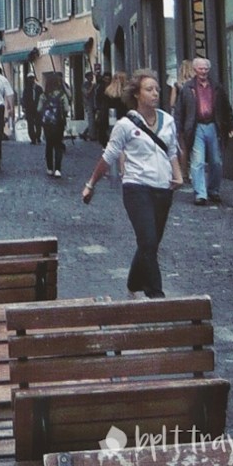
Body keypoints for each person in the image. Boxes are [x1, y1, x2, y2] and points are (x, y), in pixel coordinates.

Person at [81, 69, 183, 299]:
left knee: (151, 243)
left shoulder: (167, 121)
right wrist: (91, 184)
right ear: (137, 94)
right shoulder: (125, 125)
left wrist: (178, 174)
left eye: (157, 89)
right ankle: (156, 295)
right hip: (136, 187)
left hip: (163, 188)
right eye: (149, 89)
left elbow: (172, 151)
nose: (155, 93)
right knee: (147, 240)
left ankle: (133, 283)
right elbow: (109, 156)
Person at [174, 56, 233, 206]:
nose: (204, 71)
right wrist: (178, 129)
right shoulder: (188, 88)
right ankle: (200, 194)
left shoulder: (217, 87)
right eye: (201, 69)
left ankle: (213, 190)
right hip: (196, 127)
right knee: (198, 161)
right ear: (195, 70)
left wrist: (231, 126)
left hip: (214, 126)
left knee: (216, 161)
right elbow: (179, 110)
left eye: (206, 69)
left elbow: (226, 108)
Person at [37, 75, 71, 178]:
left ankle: (49, 168)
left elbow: (39, 109)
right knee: (58, 145)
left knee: (49, 145)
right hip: (58, 123)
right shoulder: (61, 95)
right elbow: (66, 109)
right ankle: (58, 169)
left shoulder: (44, 95)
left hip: (47, 124)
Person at [168, 60, 195, 180]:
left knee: (182, 146)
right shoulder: (194, 84)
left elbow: (172, 103)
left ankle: (184, 172)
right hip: (192, 117)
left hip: (180, 118)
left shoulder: (177, 85)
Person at [21, 71, 44, 144]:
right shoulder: (26, 89)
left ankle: (38, 137)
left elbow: (42, 98)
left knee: (38, 124)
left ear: (34, 78)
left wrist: (42, 107)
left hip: (38, 109)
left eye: (32, 78)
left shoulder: (39, 88)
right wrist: (24, 107)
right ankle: (33, 139)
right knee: (30, 124)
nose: (31, 80)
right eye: (29, 78)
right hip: (29, 109)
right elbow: (24, 98)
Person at [93, 72, 113, 147]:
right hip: (103, 109)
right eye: (106, 79)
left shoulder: (112, 87)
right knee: (102, 125)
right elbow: (97, 99)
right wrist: (97, 109)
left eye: (108, 79)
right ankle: (104, 141)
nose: (107, 80)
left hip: (110, 110)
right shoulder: (100, 87)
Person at [82, 71, 97, 141]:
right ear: (87, 77)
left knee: (94, 121)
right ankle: (91, 136)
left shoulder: (93, 84)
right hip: (88, 104)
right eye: (90, 76)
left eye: (92, 76)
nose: (92, 77)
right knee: (91, 120)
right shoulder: (85, 85)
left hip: (94, 104)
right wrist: (92, 87)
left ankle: (85, 133)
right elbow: (87, 93)